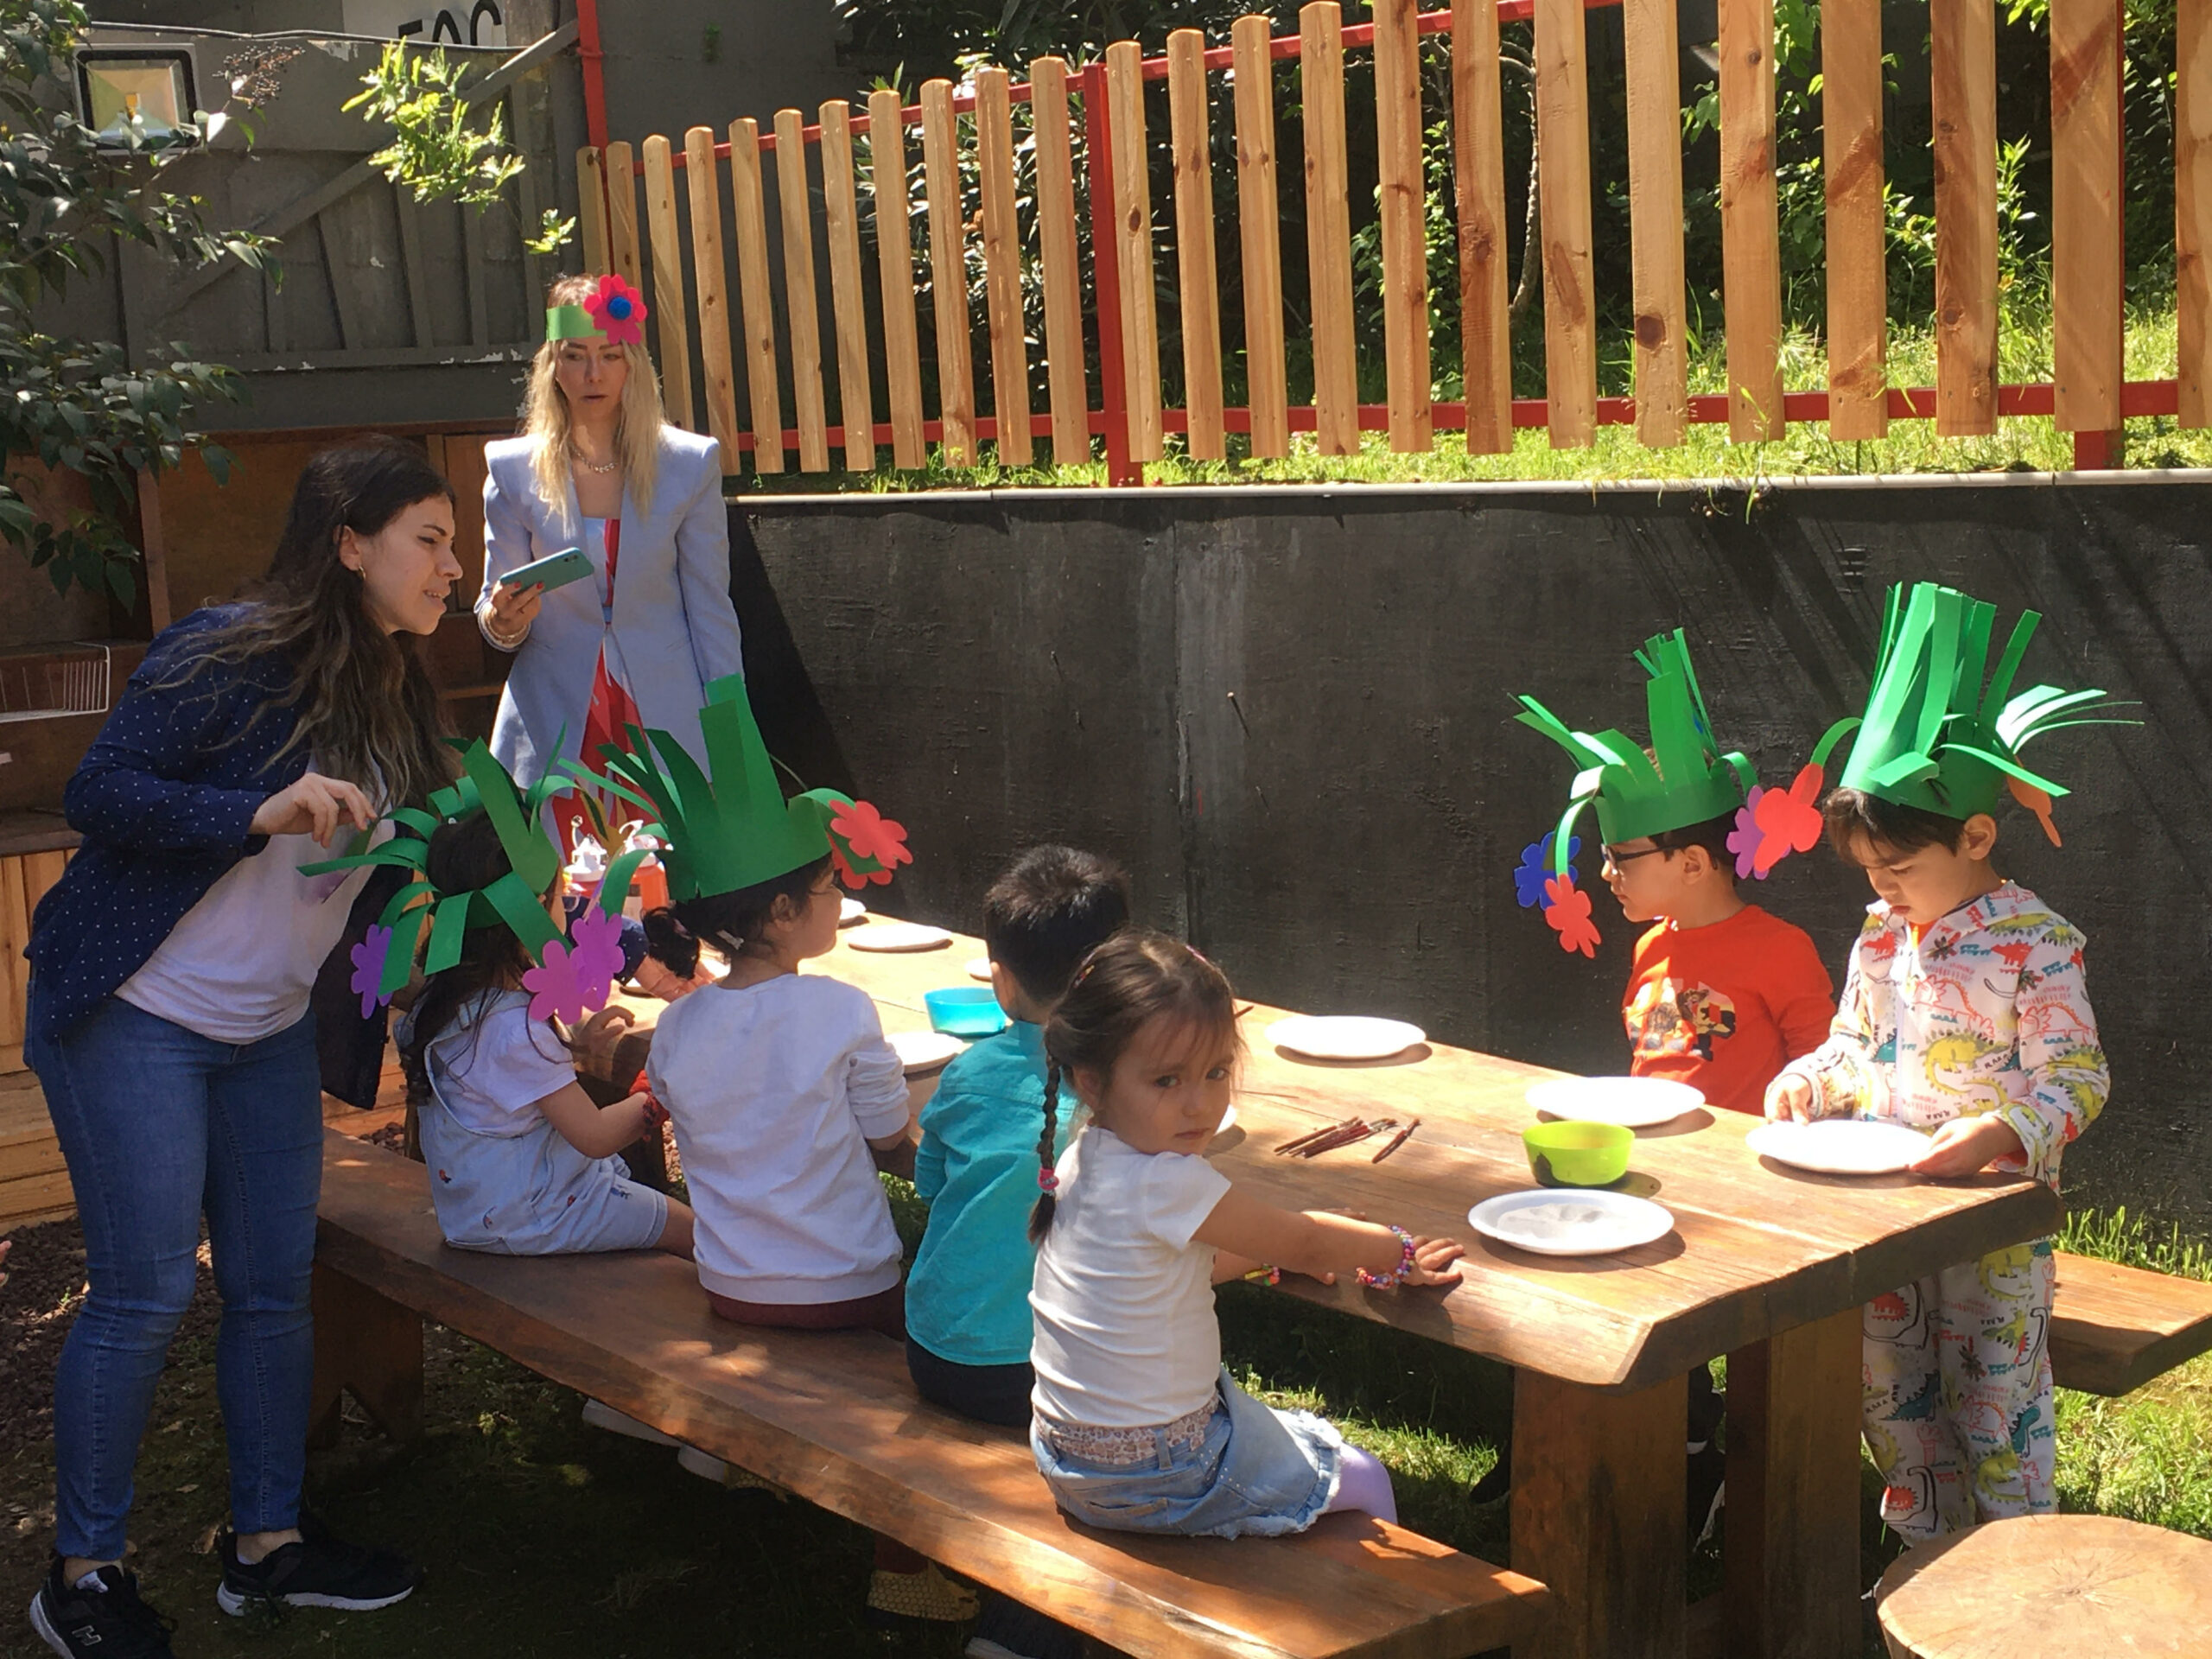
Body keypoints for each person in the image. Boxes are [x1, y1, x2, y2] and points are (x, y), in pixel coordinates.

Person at [24, 437, 448, 1657]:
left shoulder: (398, 686)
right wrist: (251, 810)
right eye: (430, 540)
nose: (453, 566)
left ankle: (267, 1545)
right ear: (349, 545)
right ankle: (82, 1575)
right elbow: (101, 791)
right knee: (147, 1291)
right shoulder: (228, 651)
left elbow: (407, 856)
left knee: (273, 1286)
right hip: (137, 1013)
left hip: (265, 1031)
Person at [601, 674, 969, 1625]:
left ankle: (738, 1457)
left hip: (732, 1281)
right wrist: (940, 1160)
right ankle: (903, 1567)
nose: (838, 899)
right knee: (939, 1371)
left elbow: (687, 1117)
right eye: (826, 888)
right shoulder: (841, 1010)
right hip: (848, 1284)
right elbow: (889, 1141)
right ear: (777, 913)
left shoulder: (678, 1029)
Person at [1766, 581, 2116, 1546]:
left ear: (1975, 836)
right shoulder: (1883, 935)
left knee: (1996, 1408)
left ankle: (2011, 1575)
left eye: (1900, 869)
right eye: (1870, 873)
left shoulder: (2036, 943)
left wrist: (2000, 1131)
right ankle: (1925, 1556)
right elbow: (1852, 1043)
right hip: (1888, 1218)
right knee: (1891, 1396)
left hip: (1993, 1230)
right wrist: (1813, 1079)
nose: (1883, 890)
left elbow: (2077, 1077)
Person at [1512, 629, 1835, 1532]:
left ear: (1691, 863)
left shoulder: (1780, 949)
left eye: (1623, 857)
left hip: (1742, 1182)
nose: (1605, 873)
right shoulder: (1651, 944)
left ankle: (1704, 1454)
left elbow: (1826, 1063)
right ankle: (1578, 1435)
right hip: (1648, 1163)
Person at [1026, 929, 1463, 1540]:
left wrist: (1269, 1256)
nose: (1200, 1104)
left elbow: (1191, 1266)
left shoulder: (1084, 1157)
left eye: (1216, 1072)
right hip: (1163, 1476)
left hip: (1070, 1462)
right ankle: (1377, 1597)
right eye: (1167, 1081)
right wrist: (1398, 1251)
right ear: (1093, 1081)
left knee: (1262, 1420)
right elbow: (1308, 1241)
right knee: (1364, 1475)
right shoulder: (1166, 1180)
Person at [374, 747, 695, 1264]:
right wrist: (659, 1094)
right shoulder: (513, 1029)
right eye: (557, 895)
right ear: (533, 914)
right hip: (540, 1215)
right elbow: (594, 1137)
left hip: (475, 1216)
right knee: (695, 1232)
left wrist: (576, 1047)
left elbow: (507, 1090)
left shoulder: (446, 1000)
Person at [475, 271, 746, 852]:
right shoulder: (512, 470)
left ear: (633, 366)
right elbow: (493, 610)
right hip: (553, 717)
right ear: (553, 366)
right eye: (575, 356)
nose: (592, 374)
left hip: (666, 711)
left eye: (609, 355)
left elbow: (710, 606)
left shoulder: (689, 464)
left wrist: (731, 728)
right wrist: (502, 620)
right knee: (564, 877)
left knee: (670, 875)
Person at [906, 845, 1132, 1427]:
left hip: (934, 1354)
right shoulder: (1127, 1091)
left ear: (1001, 982)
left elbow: (929, 1184)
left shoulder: (967, 1072)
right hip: (1047, 1372)